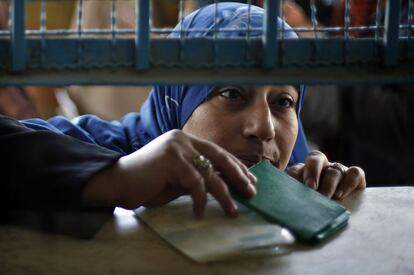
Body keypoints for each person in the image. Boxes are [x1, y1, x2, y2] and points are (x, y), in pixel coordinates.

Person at [21, 3, 366, 216]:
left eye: (283, 102)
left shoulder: (297, 182)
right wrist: (115, 177)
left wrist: (326, 195)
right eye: (232, 93)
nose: (265, 128)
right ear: (178, 96)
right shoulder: (103, 154)